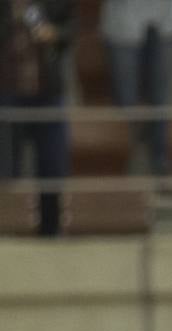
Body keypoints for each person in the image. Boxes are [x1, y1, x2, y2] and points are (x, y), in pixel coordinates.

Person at [2, 0, 74, 237]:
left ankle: (51, 230)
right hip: (7, 95)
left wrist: (54, 33)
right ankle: (8, 231)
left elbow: (71, 29)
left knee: (52, 166)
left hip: (48, 93)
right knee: (6, 169)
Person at [100, 0, 172, 178]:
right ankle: (126, 157)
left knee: (161, 96)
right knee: (126, 99)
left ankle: (160, 158)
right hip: (123, 20)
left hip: (166, 17)